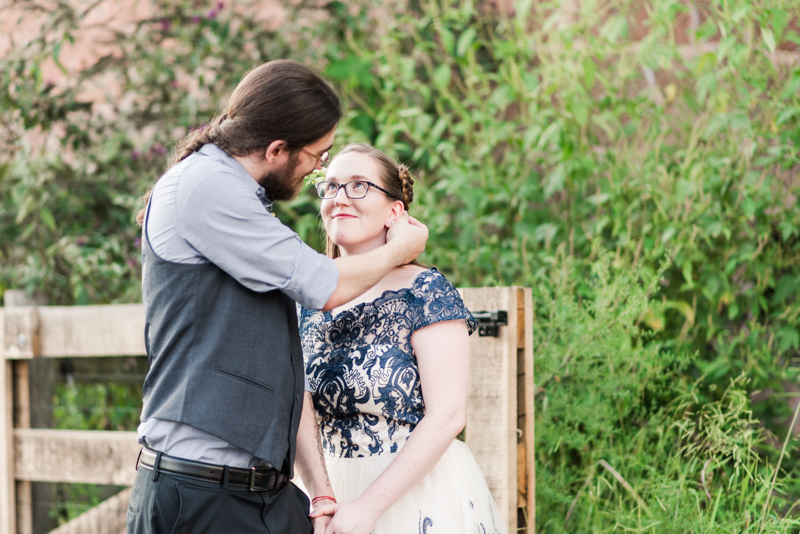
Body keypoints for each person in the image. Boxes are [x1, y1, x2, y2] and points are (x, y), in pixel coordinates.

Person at [127, 61, 428, 534]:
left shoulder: (237, 196)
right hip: (203, 496)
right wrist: (400, 251)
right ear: (277, 149)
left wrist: (320, 489)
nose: (320, 169)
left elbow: (287, 377)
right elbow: (323, 285)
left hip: (253, 493)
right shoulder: (208, 187)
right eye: (318, 155)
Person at [297, 144, 505, 534]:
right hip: (323, 491)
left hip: (411, 495)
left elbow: (447, 416)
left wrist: (367, 509)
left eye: (359, 186)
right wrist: (320, 496)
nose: (339, 197)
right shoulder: (305, 297)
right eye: (331, 186)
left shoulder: (426, 291)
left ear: (395, 211)